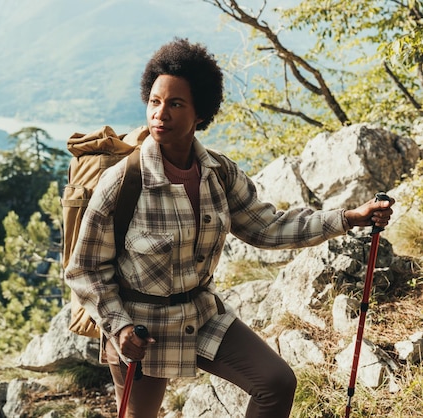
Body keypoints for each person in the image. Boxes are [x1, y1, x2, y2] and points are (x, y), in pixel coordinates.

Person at [64, 38, 394, 418]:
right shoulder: (123, 182)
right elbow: (85, 268)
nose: (160, 114)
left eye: (175, 104)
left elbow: (269, 227)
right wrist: (119, 328)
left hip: (201, 315)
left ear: (200, 112)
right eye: (155, 101)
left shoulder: (219, 173)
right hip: (141, 331)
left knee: (275, 383)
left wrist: (348, 218)